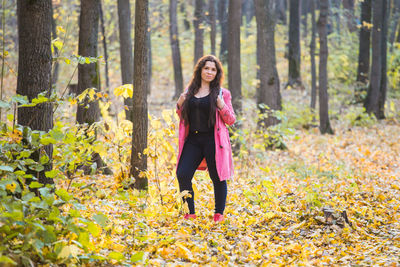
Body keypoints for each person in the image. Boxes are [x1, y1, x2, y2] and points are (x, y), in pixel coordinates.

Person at [176, 55, 236, 222]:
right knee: (182, 173)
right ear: (200, 70)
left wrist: (221, 105)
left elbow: (231, 120)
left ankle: (218, 215)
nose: (209, 72)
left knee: (218, 177)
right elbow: (183, 117)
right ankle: (190, 213)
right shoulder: (190, 92)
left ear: (217, 73)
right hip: (193, 140)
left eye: (213, 69)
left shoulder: (223, 93)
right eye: (206, 68)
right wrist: (179, 104)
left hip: (213, 140)